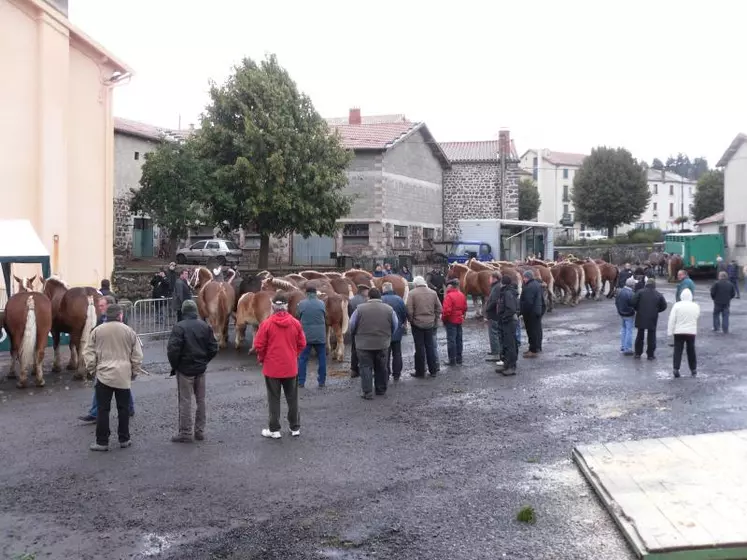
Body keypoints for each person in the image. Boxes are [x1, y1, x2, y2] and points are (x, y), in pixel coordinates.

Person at [82, 304, 143, 451]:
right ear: (119, 315)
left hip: (103, 374)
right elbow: (137, 355)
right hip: (123, 375)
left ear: (106, 315)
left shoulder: (97, 331)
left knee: (103, 409)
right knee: (123, 409)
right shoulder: (129, 331)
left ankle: (102, 442)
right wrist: (134, 371)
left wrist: (92, 369)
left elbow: (88, 352)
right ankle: (124, 438)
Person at [253, 293, 306, 439]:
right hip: (290, 367)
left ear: (273, 306)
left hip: (272, 368)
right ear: (286, 306)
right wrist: (294, 354)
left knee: (274, 399)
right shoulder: (295, 323)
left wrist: (262, 358)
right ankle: (295, 427)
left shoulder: (267, 324)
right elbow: (302, 343)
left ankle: (274, 429)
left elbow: (258, 345)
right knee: (292, 398)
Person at [78, 295, 135, 424]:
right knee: (121, 386)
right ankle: (128, 408)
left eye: (102, 306)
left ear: (109, 306)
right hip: (106, 359)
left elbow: (129, 342)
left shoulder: (120, 320)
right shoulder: (102, 319)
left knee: (110, 386)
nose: (100, 308)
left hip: (112, 359)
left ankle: (97, 414)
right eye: (99, 306)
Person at [168, 299, 218, 443]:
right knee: (201, 400)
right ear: (195, 311)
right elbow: (213, 348)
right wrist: (204, 361)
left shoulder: (179, 327)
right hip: (200, 368)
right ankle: (200, 431)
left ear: (184, 311)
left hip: (184, 369)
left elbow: (173, 350)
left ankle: (185, 432)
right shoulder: (204, 326)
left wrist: (176, 365)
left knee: (185, 401)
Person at [349, 288, 398, 399]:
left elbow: (352, 325)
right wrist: (388, 335)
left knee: (365, 367)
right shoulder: (389, 309)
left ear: (369, 297)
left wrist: (356, 334)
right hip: (382, 343)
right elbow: (395, 325)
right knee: (381, 366)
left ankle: (367, 392)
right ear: (380, 296)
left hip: (363, 344)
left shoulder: (359, 309)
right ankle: (380, 389)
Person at [406, 276, 442, 378]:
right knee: (430, 347)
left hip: (417, 324)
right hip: (430, 323)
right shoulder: (433, 293)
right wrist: (435, 319)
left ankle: (420, 371)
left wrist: (411, 320)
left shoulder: (412, 293)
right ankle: (433, 370)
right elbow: (439, 308)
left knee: (420, 348)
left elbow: (409, 310)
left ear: (415, 284)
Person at [296, 286, 327, 388]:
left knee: (303, 358)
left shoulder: (302, 304)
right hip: (320, 336)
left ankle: (301, 381)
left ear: (307, 293)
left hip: (306, 336)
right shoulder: (322, 303)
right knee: (322, 358)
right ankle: (321, 381)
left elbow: (298, 316)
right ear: (315, 293)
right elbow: (324, 315)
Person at [631, 278, 667, 360]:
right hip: (652, 317)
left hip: (641, 316)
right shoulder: (658, 294)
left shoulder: (640, 292)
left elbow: (633, 302)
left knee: (640, 335)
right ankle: (650, 355)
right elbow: (664, 306)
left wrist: (638, 309)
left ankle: (638, 353)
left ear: (646, 284)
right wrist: (656, 310)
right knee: (652, 336)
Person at [667, 288, 700, 378]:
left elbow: (672, 319)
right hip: (691, 331)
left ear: (681, 296)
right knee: (691, 350)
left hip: (678, 331)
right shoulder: (695, 306)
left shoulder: (677, 305)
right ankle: (693, 369)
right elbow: (697, 316)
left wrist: (670, 331)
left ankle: (676, 368)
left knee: (678, 350)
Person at [381, 282, 407, 380]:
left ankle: (386, 372)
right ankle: (397, 374)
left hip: (384, 332)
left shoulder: (381, 300)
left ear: (384, 289)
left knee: (385, 354)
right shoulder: (399, 299)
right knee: (397, 353)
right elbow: (404, 313)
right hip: (397, 331)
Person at [496, 275, 519, 376]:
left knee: (511, 345)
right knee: (507, 344)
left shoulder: (508, 293)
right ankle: (506, 364)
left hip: (509, 322)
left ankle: (511, 367)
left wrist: (504, 318)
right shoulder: (505, 292)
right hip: (506, 322)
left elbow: (511, 309)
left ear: (503, 283)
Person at [441, 278, 467, 366]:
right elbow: (464, 308)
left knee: (451, 340)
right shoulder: (461, 294)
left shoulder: (448, 296)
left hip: (451, 320)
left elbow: (446, 311)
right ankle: (459, 358)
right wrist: (461, 315)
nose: (446, 287)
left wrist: (444, 320)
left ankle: (452, 360)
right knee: (459, 339)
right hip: (459, 319)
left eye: (447, 286)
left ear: (450, 286)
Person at [519, 270, 543, 358]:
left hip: (531, 313)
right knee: (537, 330)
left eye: (524, 278)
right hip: (537, 311)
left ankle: (533, 350)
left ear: (527, 277)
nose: (523, 279)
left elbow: (528, 302)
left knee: (532, 331)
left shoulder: (529, 287)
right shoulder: (536, 284)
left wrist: (521, 312)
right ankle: (536, 347)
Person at [348, 284, 369, 378]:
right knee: (364, 350)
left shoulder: (351, 300)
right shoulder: (366, 301)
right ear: (364, 291)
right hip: (364, 329)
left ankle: (353, 369)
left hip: (355, 329)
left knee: (354, 350)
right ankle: (363, 368)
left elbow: (350, 316)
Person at [484, 271, 503, 363]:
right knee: (494, 333)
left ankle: (496, 354)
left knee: (494, 334)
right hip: (494, 313)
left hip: (494, 314)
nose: (489, 279)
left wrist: (487, 309)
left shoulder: (496, 287)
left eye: (490, 277)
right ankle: (494, 351)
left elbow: (494, 301)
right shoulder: (495, 286)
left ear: (494, 278)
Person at [615, 277, 637, 355]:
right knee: (629, 331)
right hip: (629, 315)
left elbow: (616, 302)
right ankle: (627, 348)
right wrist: (633, 311)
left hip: (622, 314)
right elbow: (634, 305)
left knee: (624, 330)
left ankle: (623, 346)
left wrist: (619, 311)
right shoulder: (632, 294)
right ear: (632, 285)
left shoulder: (619, 291)